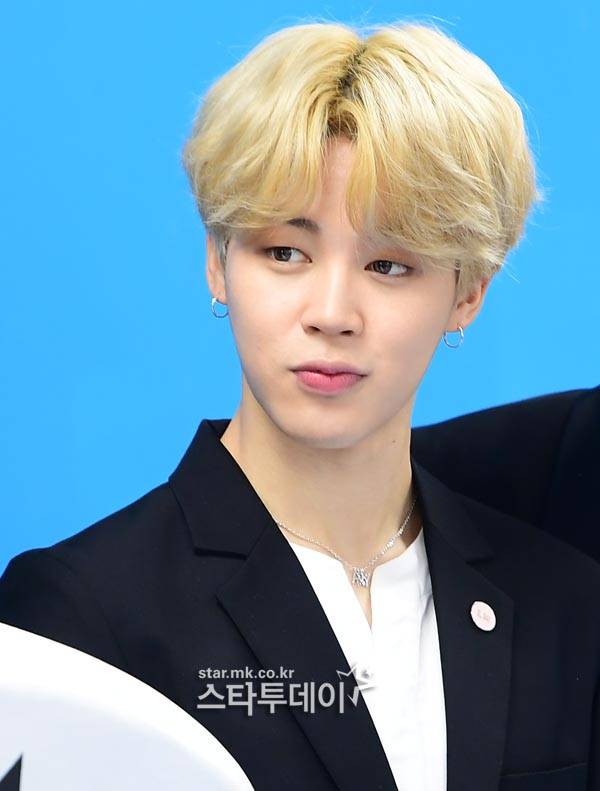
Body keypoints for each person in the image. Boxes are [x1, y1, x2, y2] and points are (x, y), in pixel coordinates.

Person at [0, 19, 598, 791]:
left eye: (389, 263)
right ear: (218, 260)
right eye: (285, 251)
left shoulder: (564, 602)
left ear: (468, 292)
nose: (332, 312)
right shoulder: (82, 615)